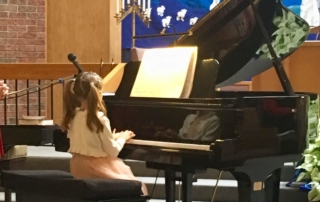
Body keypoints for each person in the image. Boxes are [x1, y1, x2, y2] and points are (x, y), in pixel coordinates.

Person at [60, 72, 147, 195]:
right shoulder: (99, 119)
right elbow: (113, 152)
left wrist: (112, 137)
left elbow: (89, 139)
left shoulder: (73, 116)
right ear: (99, 93)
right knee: (139, 188)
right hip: (97, 168)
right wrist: (122, 138)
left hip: (78, 166)